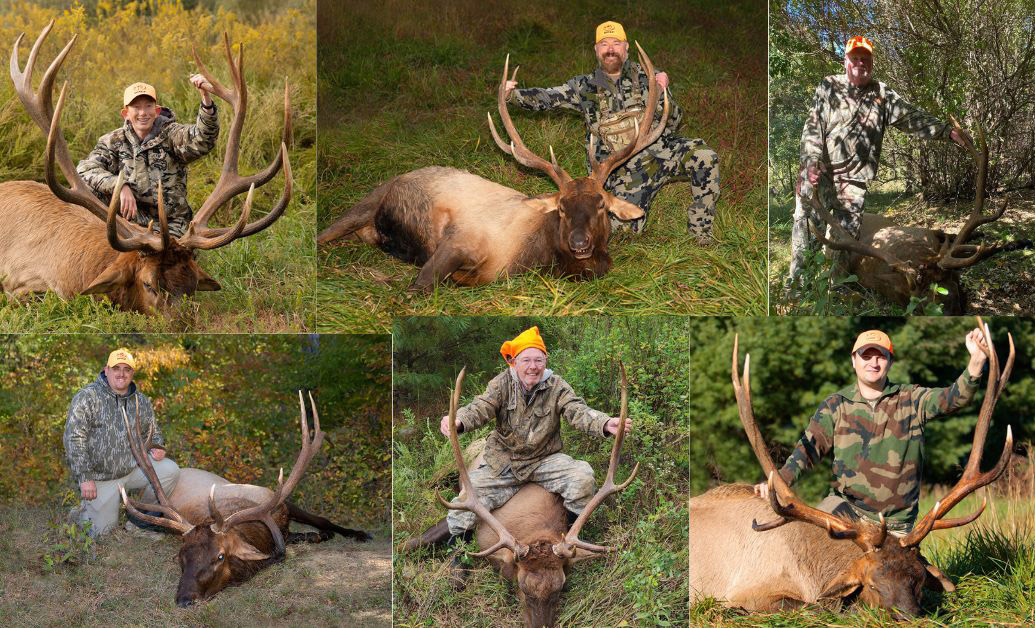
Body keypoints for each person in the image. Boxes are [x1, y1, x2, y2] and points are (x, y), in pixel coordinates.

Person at [754, 327, 988, 534]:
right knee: (812, 541)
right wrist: (777, 482)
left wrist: (977, 361)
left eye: (881, 356)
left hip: (896, 525)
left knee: (902, 571)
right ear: (853, 360)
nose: (873, 363)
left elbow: (954, 398)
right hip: (845, 511)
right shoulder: (836, 405)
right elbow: (806, 452)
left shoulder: (911, 399)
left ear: (890, 362)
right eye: (866, 356)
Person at [787, 35, 975, 290]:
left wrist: (948, 132)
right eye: (855, 58)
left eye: (865, 59)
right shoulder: (829, 86)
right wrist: (811, 162)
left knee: (846, 238)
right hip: (820, 173)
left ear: (872, 63)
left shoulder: (882, 95)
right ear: (845, 61)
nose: (860, 63)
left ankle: (836, 289)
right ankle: (797, 285)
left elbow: (912, 118)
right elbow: (813, 128)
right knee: (806, 224)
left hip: (853, 182)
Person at [505, 20, 720, 242]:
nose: (610, 49)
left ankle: (700, 233)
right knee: (623, 232)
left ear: (626, 48)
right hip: (623, 171)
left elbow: (674, 121)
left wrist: (664, 92)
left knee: (704, 156)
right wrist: (513, 95)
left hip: (662, 154)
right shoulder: (584, 86)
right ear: (596, 50)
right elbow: (547, 97)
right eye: (604, 44)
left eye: (616, 43)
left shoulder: (648, 76)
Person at [417, 326, 631, 545]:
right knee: (467, 499)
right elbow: (480, 407)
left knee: (582, 477)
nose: (533, 367)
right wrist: (459, 420)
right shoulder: (501, 384)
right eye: (526, 360)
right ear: (514, 362)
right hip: (504, 462)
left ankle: (570, 536)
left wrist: (605, 423)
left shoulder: (557, 386)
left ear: (546, 361)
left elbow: (578, 411)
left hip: (544, 460)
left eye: (538, 360)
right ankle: (459, 549)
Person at [76, 76, 220, 237]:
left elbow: (203, 139)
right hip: (129, 218)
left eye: (148, 106)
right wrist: (119, 185)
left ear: (157, 111)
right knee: (87, 192)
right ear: (125, 113)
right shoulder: (113, 141)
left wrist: (206, 99)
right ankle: (87, 240)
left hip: (169, 223)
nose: (143, 113)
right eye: (136, 107)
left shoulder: (173, 136)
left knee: (168, 251)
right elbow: (84, 169)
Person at [63, 348, 180, 537]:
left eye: (127, 369)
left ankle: (140, 522)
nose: (121, 374)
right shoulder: (88, 397)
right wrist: (85, 477)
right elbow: (74, 438)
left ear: (132, 373)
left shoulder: (141, 401)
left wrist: (157, 446)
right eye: (116, 368)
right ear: (106, 370)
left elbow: (153, 432)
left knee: (170, 470)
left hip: (133, 470)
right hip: (101, 477)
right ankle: (81, 513)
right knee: (102, 534)